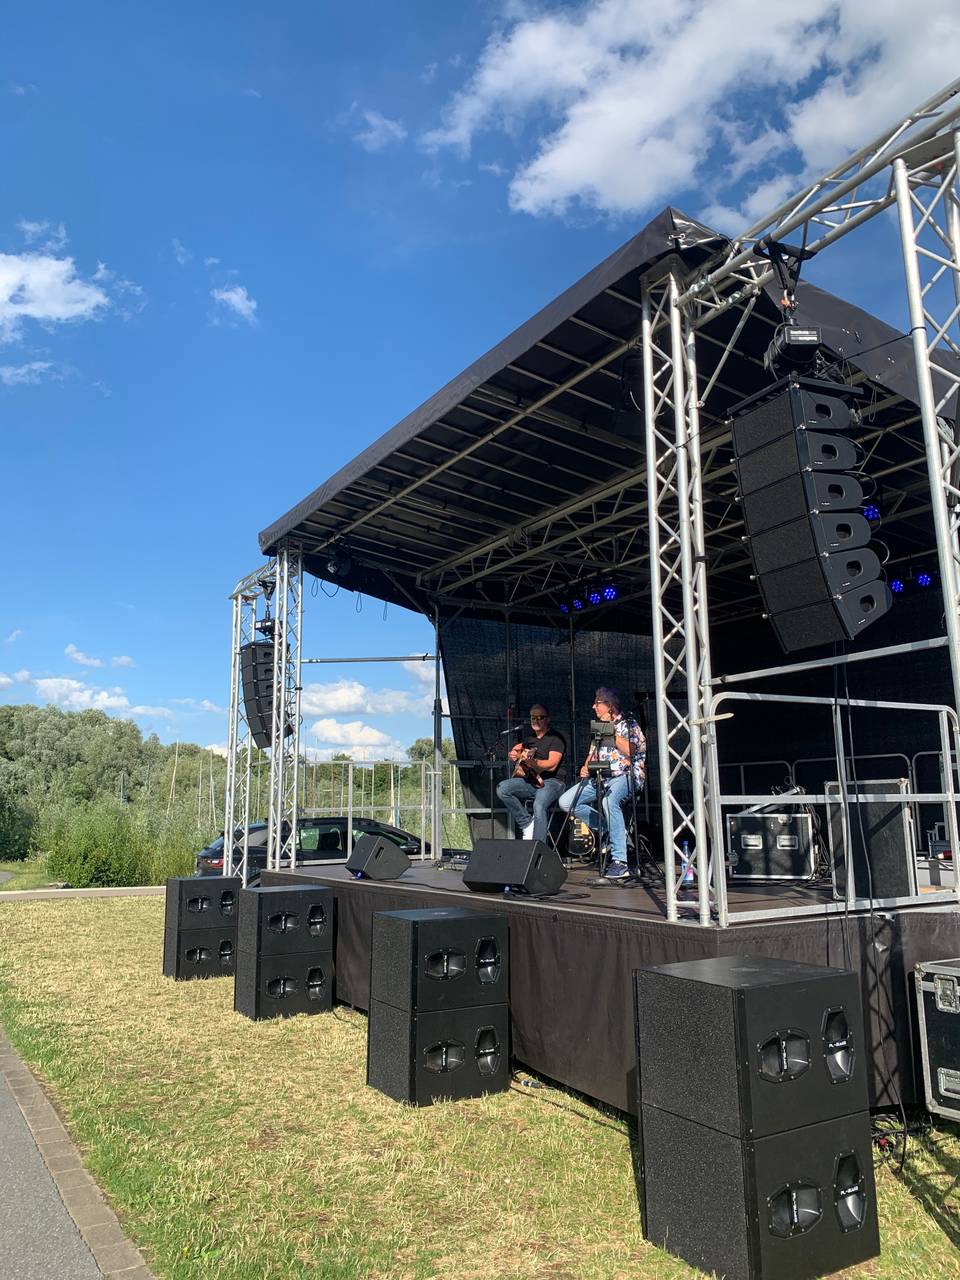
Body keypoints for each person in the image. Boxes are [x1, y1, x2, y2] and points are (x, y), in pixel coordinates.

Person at [558, 687, 645, 882]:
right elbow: (592, 755)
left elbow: (631, 750)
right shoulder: (598, 727)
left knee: (608, 802)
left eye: (597, 703)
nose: (593, 706)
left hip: (625, 776)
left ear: (610, 706)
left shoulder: (629, 724)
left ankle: (620, 862)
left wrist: (611, 732)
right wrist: (585, 767)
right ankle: (608, 829)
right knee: (566, 802)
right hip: (600, 778)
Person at [496, 704, 567, 842]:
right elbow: (518, 748)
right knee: (502, 789)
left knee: (538, 805)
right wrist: (514, 753)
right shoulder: (529, 739)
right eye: (533, 717)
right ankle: (526, 824)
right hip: (532, 781)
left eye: (540, 717)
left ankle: (538, 846)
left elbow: (552, 765)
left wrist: (534, 763)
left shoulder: (556, 738)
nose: (535, 720)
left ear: (548, 719)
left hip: (553, 782)